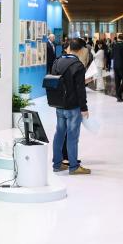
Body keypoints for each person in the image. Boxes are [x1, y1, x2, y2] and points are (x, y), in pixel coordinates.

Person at [50, 39, 91, 175]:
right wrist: (84, 108)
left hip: (59, 105)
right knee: (72, 136)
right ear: (81, 50)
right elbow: (80, 89)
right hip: (73, 106)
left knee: (59, 134)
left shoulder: (57, 61)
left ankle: (57, 164)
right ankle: (73, 166)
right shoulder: (78, 65)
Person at [111, 34, 123, 102]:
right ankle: (118, 94)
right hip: (122, 65)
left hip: (115, 65)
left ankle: (119, 97)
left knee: (117, 81)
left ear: (118, 38)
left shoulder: (114, 45)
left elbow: (112, 55)